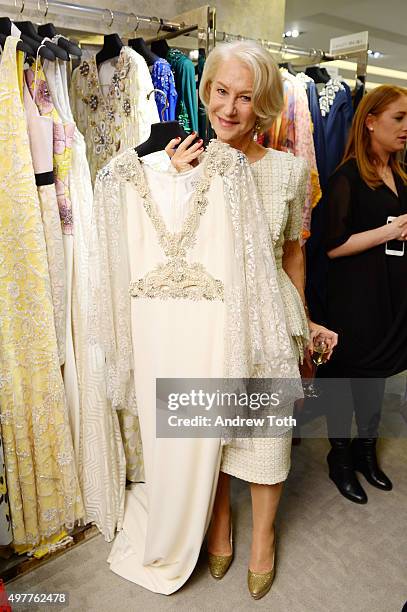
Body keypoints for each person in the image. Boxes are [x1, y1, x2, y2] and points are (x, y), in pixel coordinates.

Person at [166, 41, 338, 599]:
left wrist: (305, 326)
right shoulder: (182, 161)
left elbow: (293, 254)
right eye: (220, 92)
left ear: (263, 104)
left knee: (267, 438)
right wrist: (174, 184)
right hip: (206, 320)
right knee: (209, 435)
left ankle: (262, 538)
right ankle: (219, 524)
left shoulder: (290, 171)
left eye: (245, 97)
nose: (230, 108)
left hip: (268, 318)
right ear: (206, 91)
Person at [318, 85, 407, 504]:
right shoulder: (347, 177)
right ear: (370, 121)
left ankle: (366, 452)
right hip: (354, 298)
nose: (406, 128)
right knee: (344, 377)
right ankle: (340, 458)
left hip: (391, 294)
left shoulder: (402, 175)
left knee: (375, 381)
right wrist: (390, 230)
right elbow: (333, 245)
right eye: (399, 118)